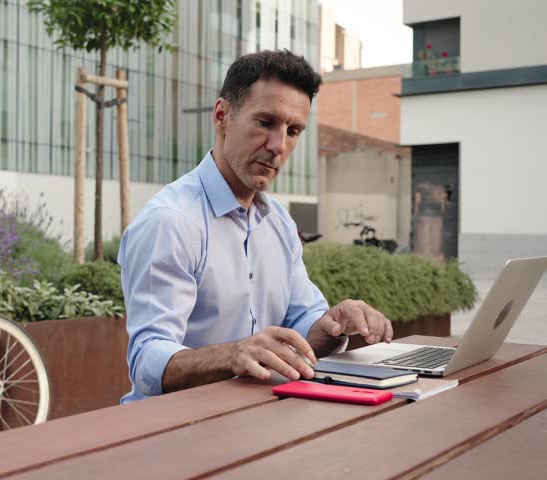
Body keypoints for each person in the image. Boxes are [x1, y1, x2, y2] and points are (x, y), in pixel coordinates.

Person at [118, 50, 393, 404]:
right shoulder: (171, 222)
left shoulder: (278, 222)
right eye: (265, 122)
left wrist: (335, 325)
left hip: (257, 416)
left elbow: (304, 325)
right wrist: (233, 355)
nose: (279, 146)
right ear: (222, 116)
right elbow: (147, 360)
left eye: (293, 131)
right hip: (174, 426)